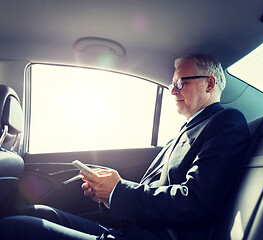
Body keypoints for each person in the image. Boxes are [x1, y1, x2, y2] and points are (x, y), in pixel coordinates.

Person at [0, 54, 250, 240]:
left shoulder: (225, 122)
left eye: (181, 82)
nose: (173, 90)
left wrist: (118, 191)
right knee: (38, 213)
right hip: (128, 230)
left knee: (15, 229)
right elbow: (155, 189)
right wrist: (107, 194)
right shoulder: (186, 129)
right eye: (172, 83)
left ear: (209, 83)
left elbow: (196, 203)